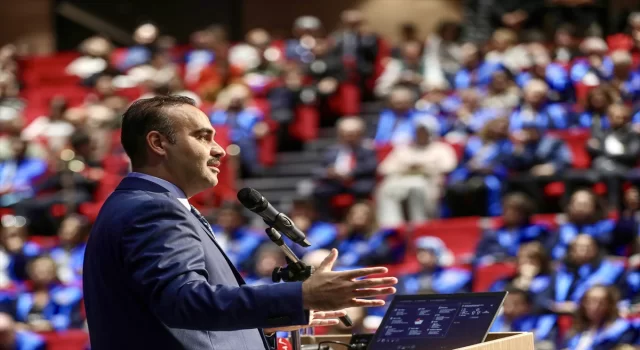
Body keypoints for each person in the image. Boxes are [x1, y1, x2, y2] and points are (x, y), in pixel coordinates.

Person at [83, 96, 397, 350]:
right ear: (158, 143)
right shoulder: (151, 209)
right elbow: (183, 302)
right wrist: (300, 296)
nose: (219, 149)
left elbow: (171, 315)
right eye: (203, 137)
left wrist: (271, 320)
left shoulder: (140, 203)